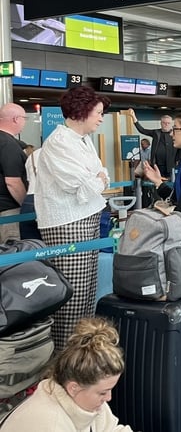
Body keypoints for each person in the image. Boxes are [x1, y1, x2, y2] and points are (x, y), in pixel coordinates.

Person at [35, 86, 110, 351]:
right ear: (82, 111)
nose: (101, 118)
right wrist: (98, 179)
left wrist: (97, 179)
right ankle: (64, 359)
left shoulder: (83, 140)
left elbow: (102, 175)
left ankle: (82, 356)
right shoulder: (59, 142)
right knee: (71, 298)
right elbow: (81, 187)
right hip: (67, 223)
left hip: (87, 217)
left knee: (87, 295)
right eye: (98, 113)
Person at [0, 318, 132, 432]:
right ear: (73, 388)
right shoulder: (50, 424)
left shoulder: (85, 397)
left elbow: (111, 429)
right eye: (103, 392)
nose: (109, 398)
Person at [0, 103, 29, 242]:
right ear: (16, 119)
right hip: (8, 210)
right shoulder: (9, 144)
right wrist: (26, 206)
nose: (25, 122)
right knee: (12, 249)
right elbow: (13, 182)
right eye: (24, 118)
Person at [125, 109, 181, 178]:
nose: (166, 125)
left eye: (168, 123)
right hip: (157, 165)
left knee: (172, 181)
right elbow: (142, 130)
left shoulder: (176, 134)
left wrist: (178, 159)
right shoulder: (156, 133)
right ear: (161, 123)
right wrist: (133, 117)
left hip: (171, 165)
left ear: (171, 124)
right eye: (164, 123)